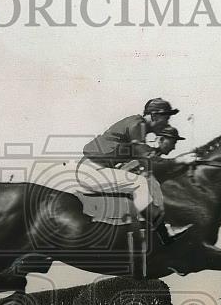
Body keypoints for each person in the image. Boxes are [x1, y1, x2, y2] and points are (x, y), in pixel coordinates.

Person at [79, 97, 196, 245]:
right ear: (154, 115)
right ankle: (165, 232)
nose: (167, 123)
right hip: (92, 170)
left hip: (95, 168)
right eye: (166, 119)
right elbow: (148, 159)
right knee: (139, 183)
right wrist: (179, 161)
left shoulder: (137, 125)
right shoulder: (137, 125)